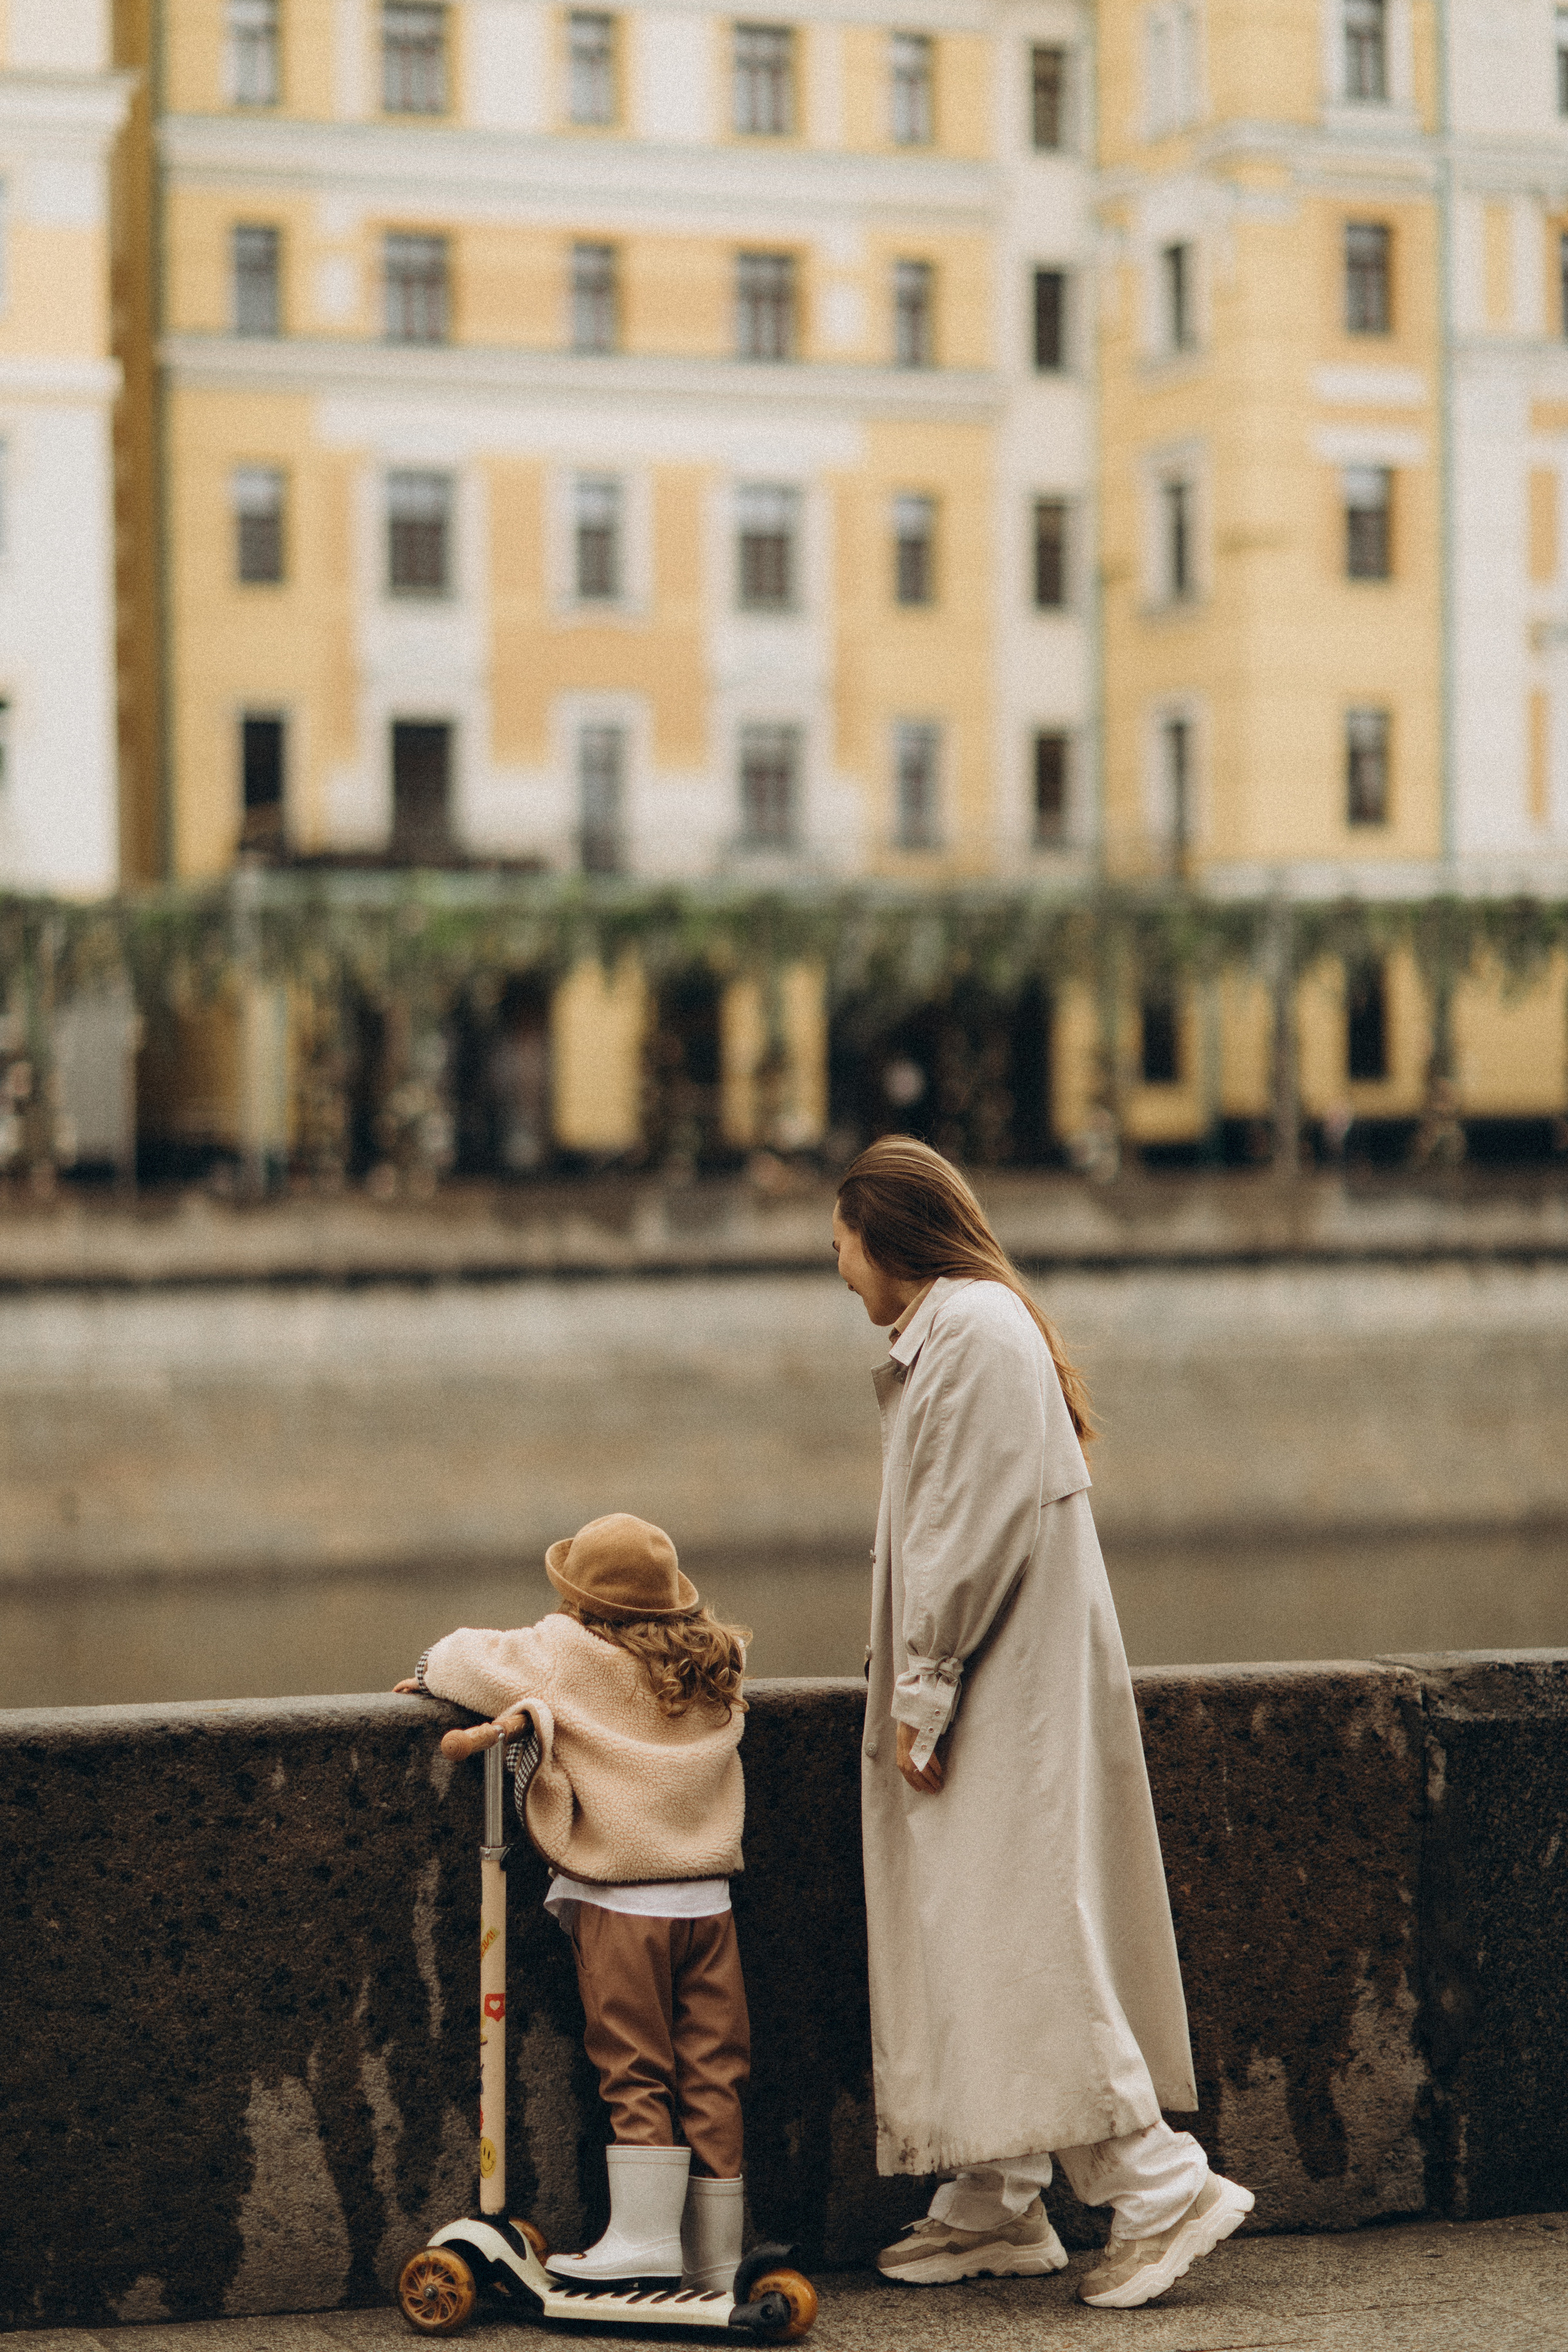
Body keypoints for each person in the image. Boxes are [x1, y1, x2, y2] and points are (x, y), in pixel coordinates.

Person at [831, 1136, 1254, 2311]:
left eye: (841, 1248)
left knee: (1018, 1929)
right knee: (986, 1923)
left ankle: (1160, 2185)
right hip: (1005, 1685)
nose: (841, 1275)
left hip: (992, 1697)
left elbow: (960, 1539)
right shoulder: (979, 1327)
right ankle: (996, 2193)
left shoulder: (968, 1333)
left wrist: (922, 1695)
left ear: (886, 1235)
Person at [394, 1512, 752, 2294]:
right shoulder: (713, 1665)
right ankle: (718, 2257)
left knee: (635, 2070)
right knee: (713, 2072)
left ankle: (645, 2240)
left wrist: (427, 1675)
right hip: (708, 1907)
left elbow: (458, 1657)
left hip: (621, 1906)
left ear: (579, 1599)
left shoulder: (565, 1653)